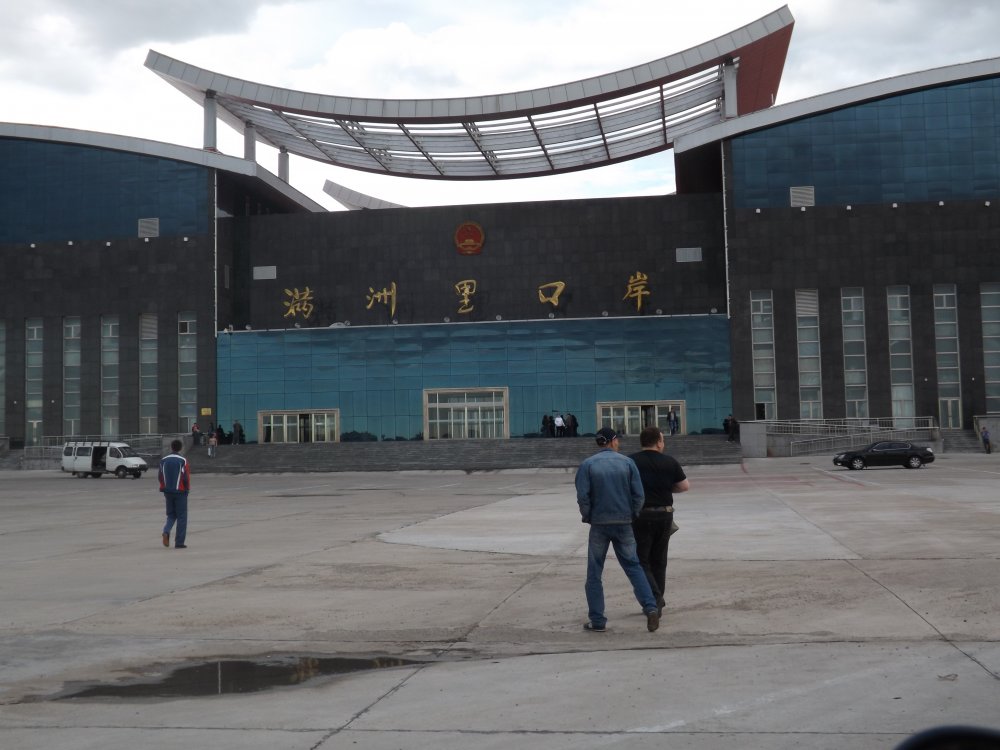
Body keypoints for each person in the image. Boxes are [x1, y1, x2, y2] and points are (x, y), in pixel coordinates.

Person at [575, 427, 660, 633]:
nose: (618, 443)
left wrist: (588, 515)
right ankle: (651, 607)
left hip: (599, 524)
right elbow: (639, 495)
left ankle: (597, 620)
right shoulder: (627, 463)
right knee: (633, 566)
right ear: (612, 441)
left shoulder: (588, 465)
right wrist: (632, 514)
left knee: (594, 572)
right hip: (624, 523)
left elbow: (583, 496)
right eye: (617, 440)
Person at [630, 426, 690, 616]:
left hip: (641, 516)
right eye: (663, 440)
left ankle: (653, 602)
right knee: (659, 561)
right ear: (658, 442)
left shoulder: (631, 461)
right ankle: (657, 602)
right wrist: (665, 488)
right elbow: (684, 486)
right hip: (664, 515)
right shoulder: (669, 461)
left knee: (642, 561)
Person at [159, 439, 191, 549]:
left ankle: (166, 531)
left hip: (168, 491)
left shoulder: (163, 460)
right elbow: (185, 477)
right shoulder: (183, 460)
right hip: (180, 491)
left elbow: (160, 476)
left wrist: (164, 487)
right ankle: (179, 542)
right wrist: (187, 489)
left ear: (171, 447)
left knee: (171, 515)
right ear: (180, 448)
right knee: (182, 516)